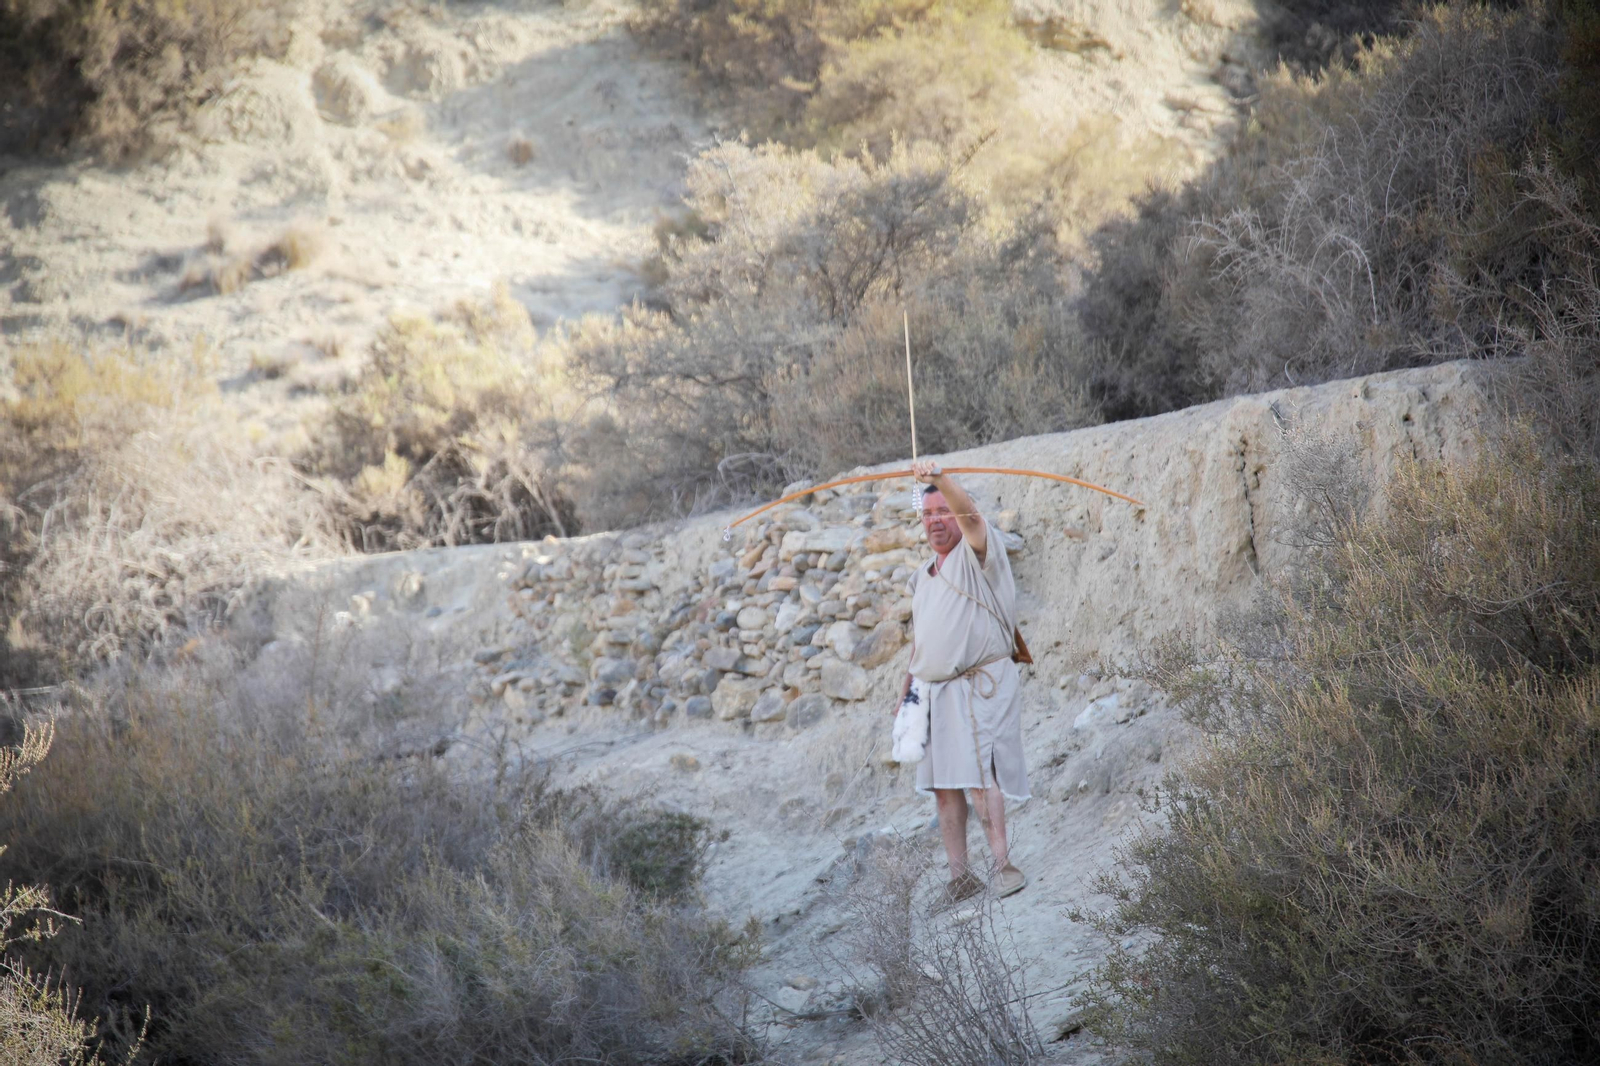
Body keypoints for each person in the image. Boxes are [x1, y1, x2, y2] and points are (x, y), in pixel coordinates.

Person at [896, 459, 1029, 904]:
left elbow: (971, 517)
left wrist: (939, 480)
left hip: (978, 683)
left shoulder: (979, 555)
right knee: (944, 788)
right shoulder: (922, 577)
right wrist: (907, 700)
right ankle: (961, 877)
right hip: (932, 693)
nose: (936, 521)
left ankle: (1003, 866)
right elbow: (922, 646)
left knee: (979, 777)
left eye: (942, 512)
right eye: (928, 514)